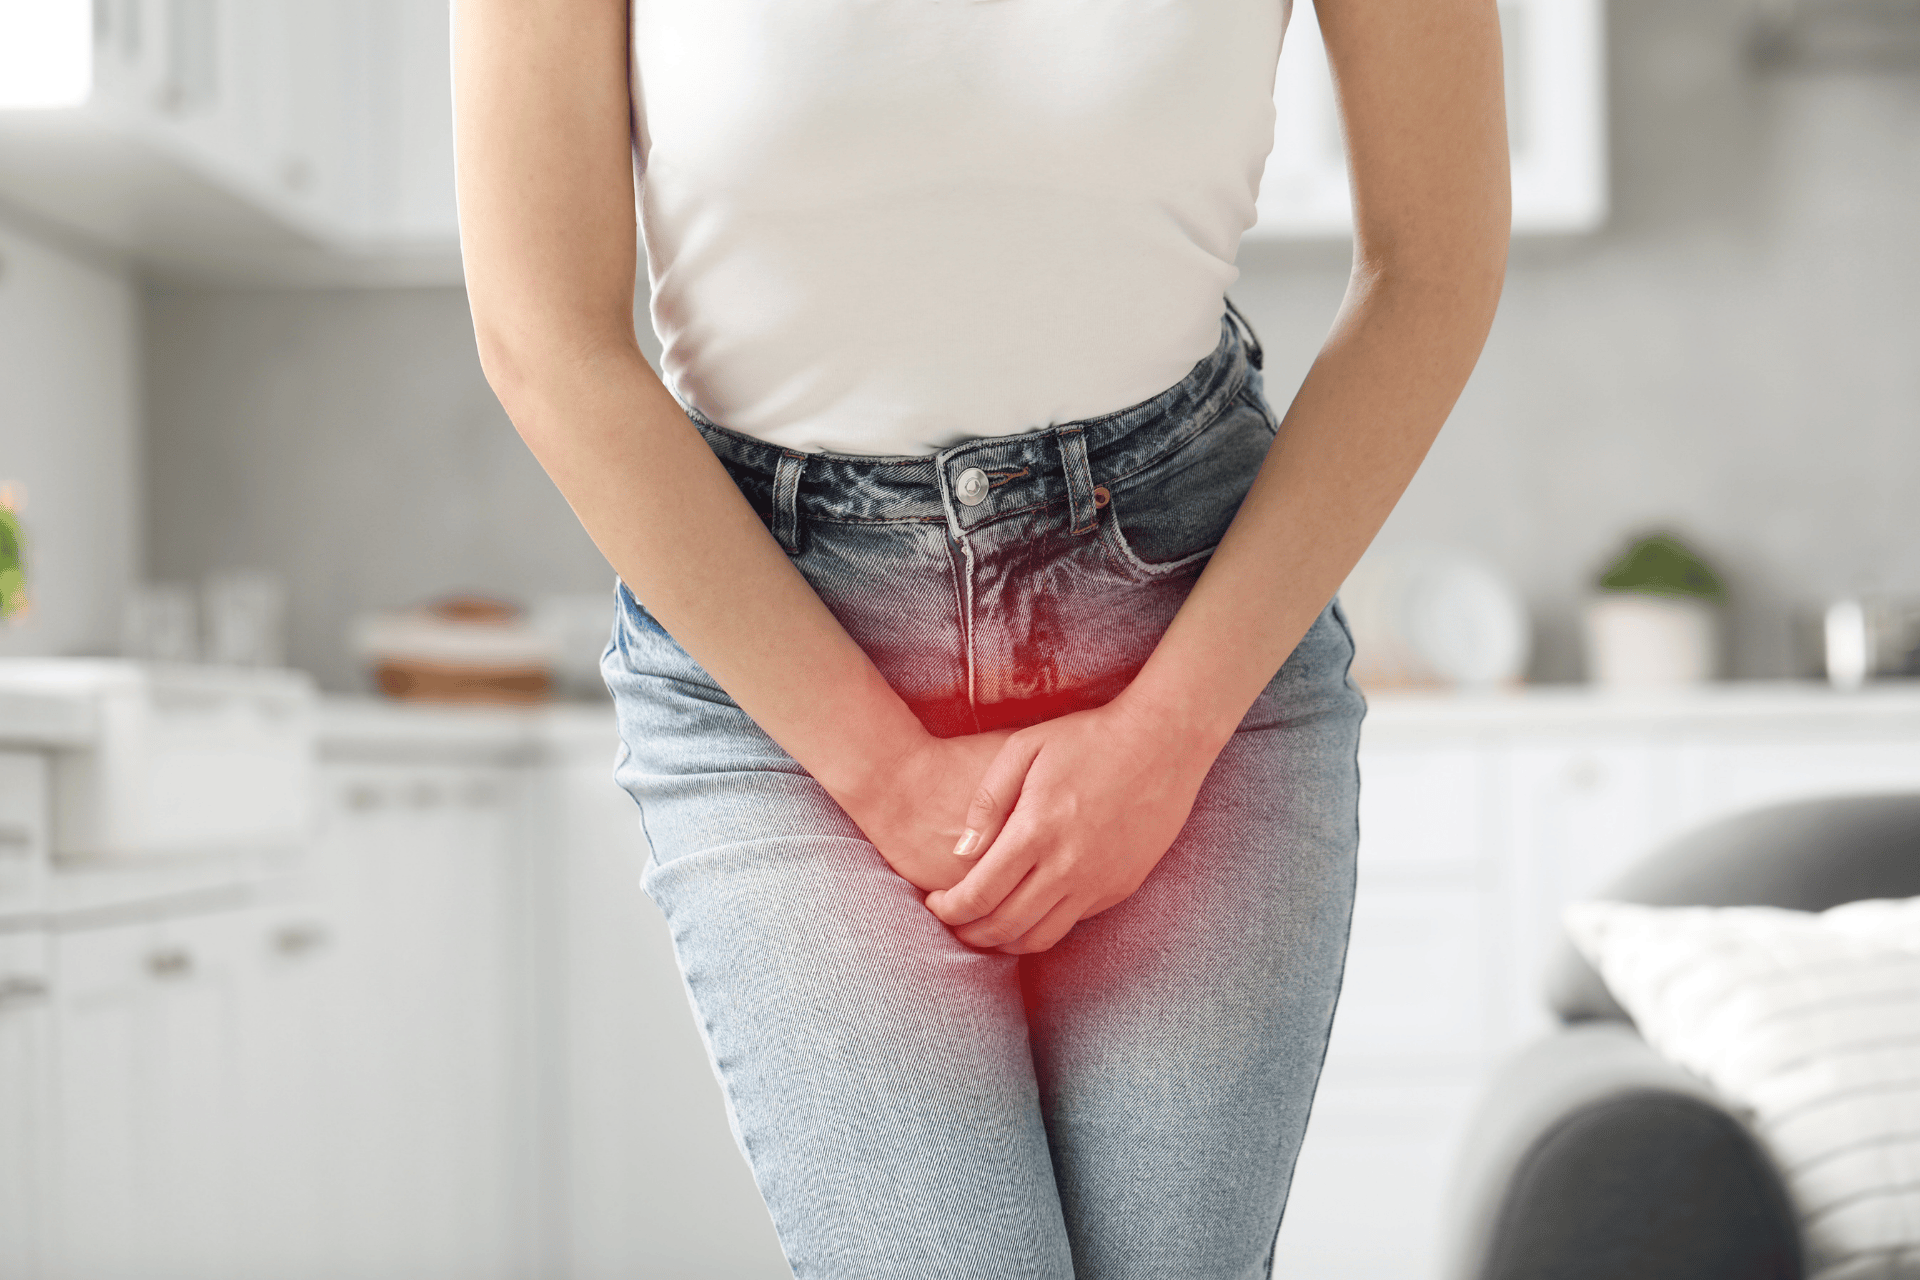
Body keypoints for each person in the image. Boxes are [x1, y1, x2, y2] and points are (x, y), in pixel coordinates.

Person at [453, 0, 1508, 1274]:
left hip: (1190, 611)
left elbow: (1433, 267)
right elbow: (544, 337)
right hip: (780, 640)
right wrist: (896, 779)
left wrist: (1168, 731)